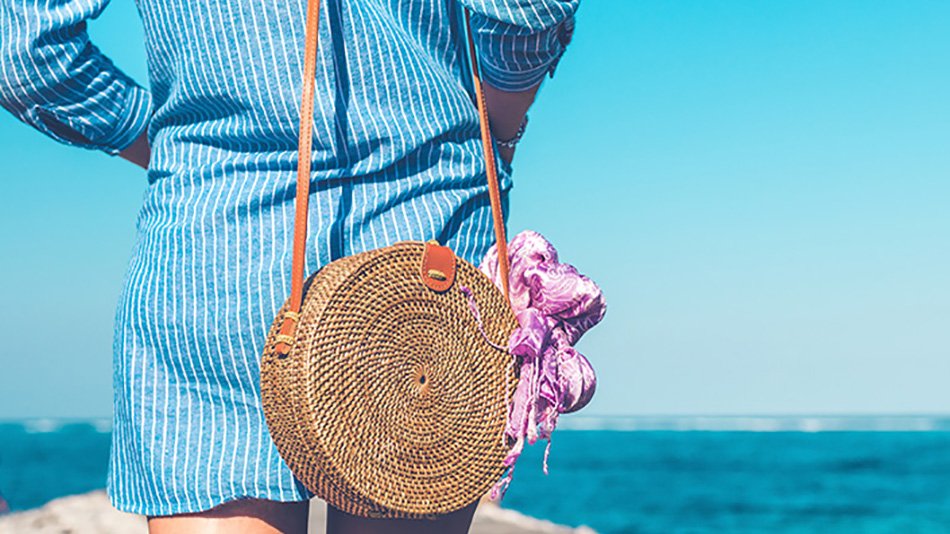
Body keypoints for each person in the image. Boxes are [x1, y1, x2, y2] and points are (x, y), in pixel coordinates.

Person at [0, 0, 578, 532]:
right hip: (421, 232)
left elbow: (23, 51)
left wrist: (166, 142)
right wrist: (501, 125)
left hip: (212, 245)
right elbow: (526, 10)